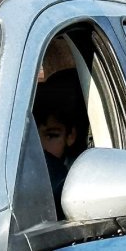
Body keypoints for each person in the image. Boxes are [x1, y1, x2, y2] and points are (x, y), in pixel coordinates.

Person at [33, 69, 87, 213]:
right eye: (33, 137)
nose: (41, 146)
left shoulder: (78, 177)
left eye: (51, 136)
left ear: (70, 136)